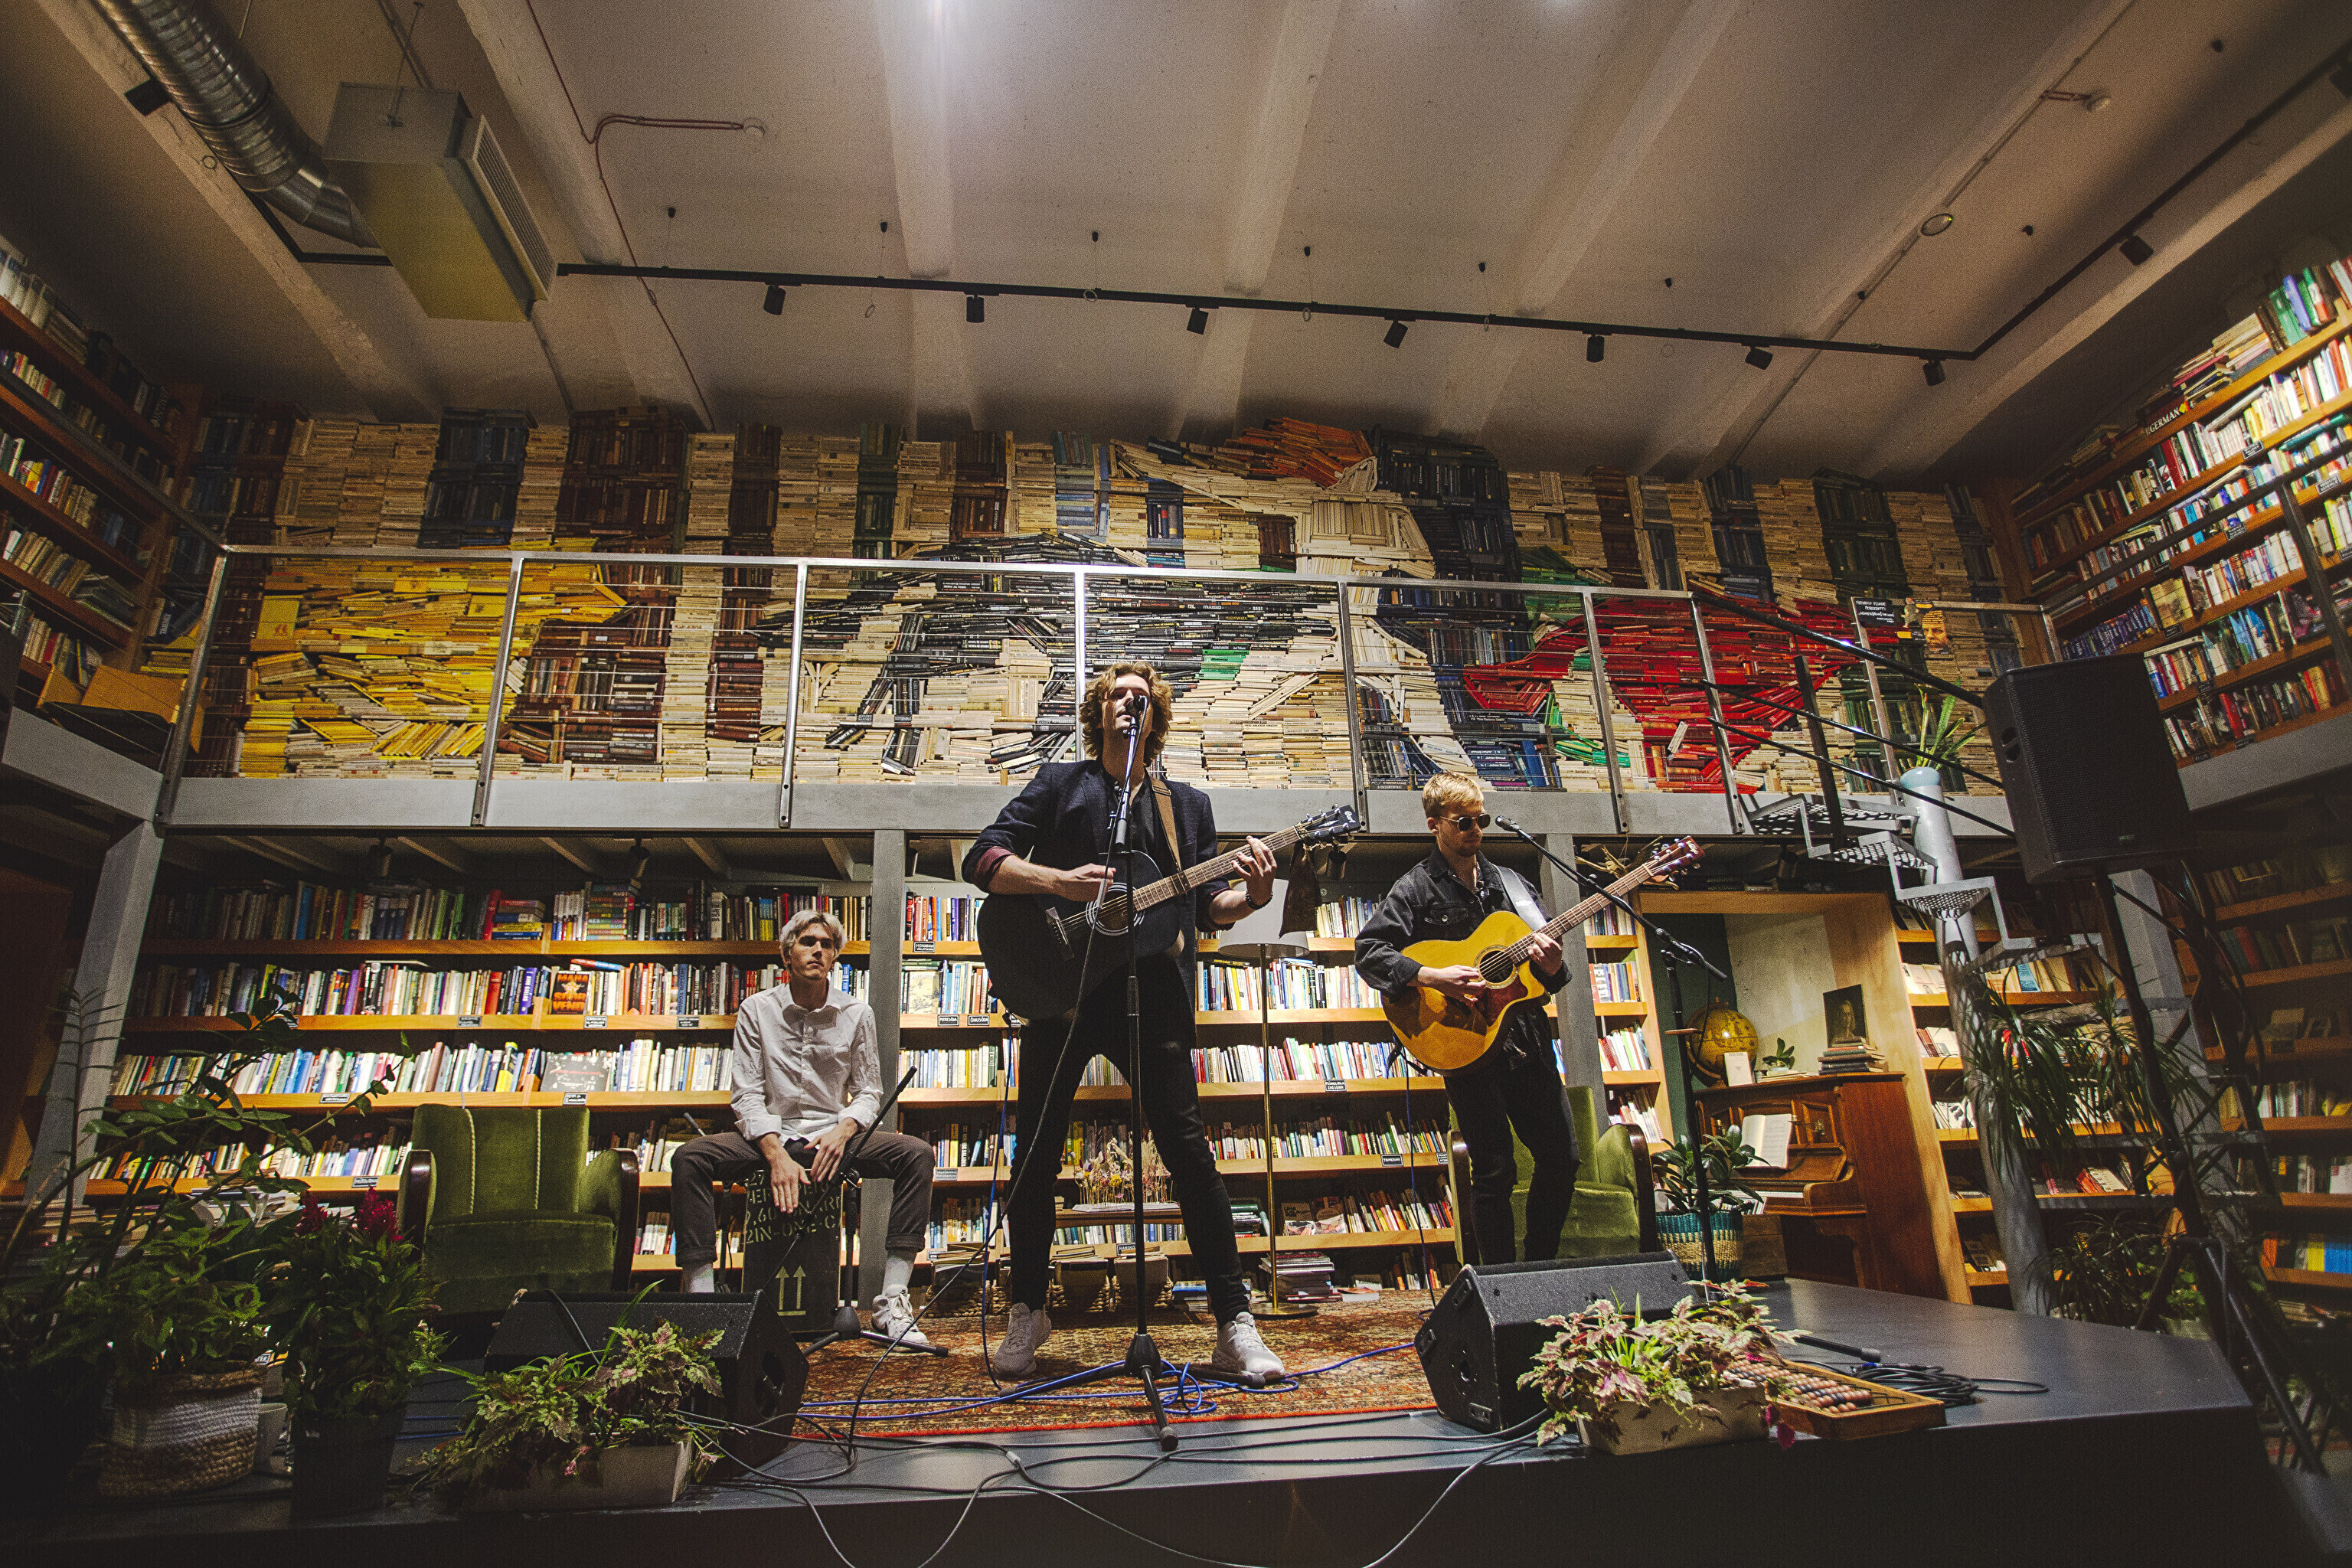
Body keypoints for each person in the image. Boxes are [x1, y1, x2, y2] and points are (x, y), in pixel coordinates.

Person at [962, 662, 1286, 1383]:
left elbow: (1207, 906)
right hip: (1061, 991)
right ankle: (1027, 1307)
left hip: (1155, 992)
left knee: (1189, 1153)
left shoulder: (1186, 806)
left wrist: (1254, 896)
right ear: (1099, 711)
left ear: (1156, 715)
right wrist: (1058, 882)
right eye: (1118, 694)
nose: (1131, 702)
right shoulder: (1059, 785)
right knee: (1036, 1154)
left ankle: (1233, 1321)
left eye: (1143, 696)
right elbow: (980, 859)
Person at [670, 907, 941, 1350]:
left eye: (827, 945)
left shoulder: (857, 1013)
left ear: (835, 957)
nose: (818, 950)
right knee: (689, 1157)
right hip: (769, 1137)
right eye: (807, 942)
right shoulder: (756, 1010)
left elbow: (869, 1091)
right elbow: (746, 1094)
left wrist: (845, 1129)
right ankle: (702, 1302)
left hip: (831, 1138)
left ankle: (892, 1299)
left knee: (916, 1154)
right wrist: (775, 1154)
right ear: (787, 954)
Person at [1354, 771, 1581, 1263]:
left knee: (1563, 1159)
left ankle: (1540, 1267)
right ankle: (1499, 1283)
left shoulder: (1514, 886)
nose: (1475, 829)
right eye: (1463, 822)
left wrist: (1552, 965)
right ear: (1434, 824)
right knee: (1494, 1171)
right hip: (1467, 1045)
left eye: (1481, 820)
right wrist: (1432, 976)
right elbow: (1370, 953)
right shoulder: (1415, 888)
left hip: (1527, 1038)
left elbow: (1550, 976)